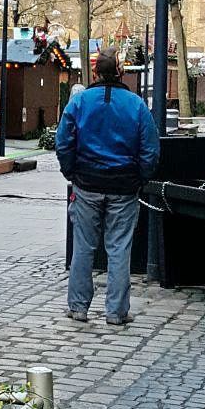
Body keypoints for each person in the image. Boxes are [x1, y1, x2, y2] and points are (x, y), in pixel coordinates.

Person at [56, 47, 160, 326]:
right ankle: (116, 312)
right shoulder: (136, 105)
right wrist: (141, 177)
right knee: (119, 249)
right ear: (121, 72)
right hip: (124, 187)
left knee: (83, 248)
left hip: (87, 183)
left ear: (95, 72)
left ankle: (78, 307)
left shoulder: (79, 102)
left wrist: (71, 172)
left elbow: (63, 141)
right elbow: (150, 148)